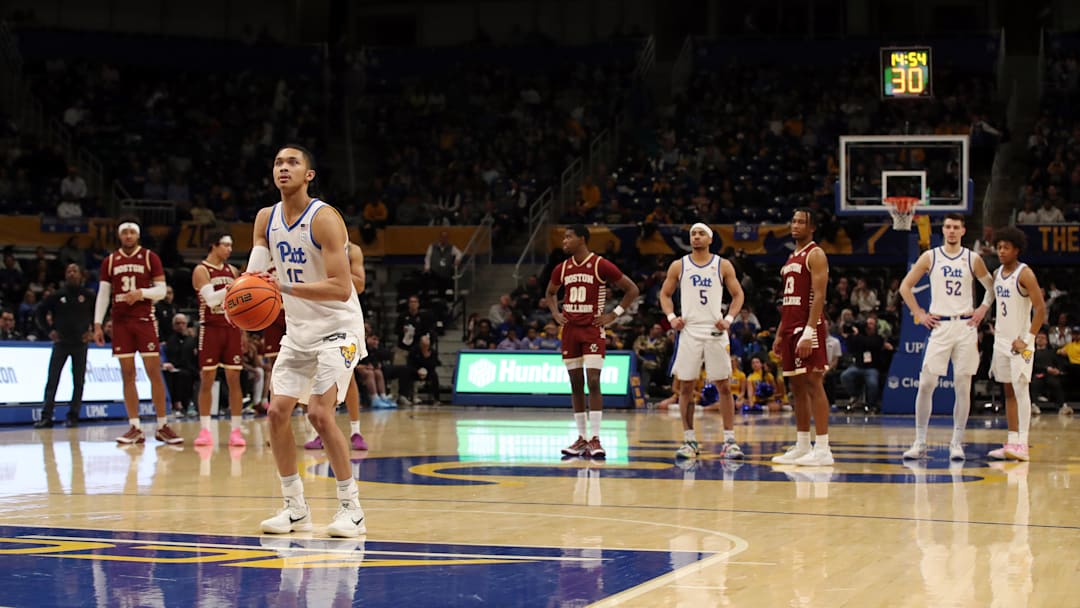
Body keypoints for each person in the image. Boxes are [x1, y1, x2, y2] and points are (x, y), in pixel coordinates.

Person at [250, 145, 366, 537]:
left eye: (293, 163)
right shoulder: (265, 218)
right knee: (277, 412)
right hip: (298, 332)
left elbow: (339, 286)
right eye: (279, 163)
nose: (284, 168)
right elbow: (254, 281)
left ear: (309, 174)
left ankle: (351, 508)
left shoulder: (325, 219)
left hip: (339, 327)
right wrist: (236, 299)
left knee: (319, 413)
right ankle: (294, 508)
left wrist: (280, 288)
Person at [900, 214, 995, 461]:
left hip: (965, 327)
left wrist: (983, 308)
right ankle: (920, 441)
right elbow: (905, 287)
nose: (951, 231)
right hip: (940, 326)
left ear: (963, 231)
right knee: (926, 384)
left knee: (963, 387)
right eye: (948, 227)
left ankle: (956, 442)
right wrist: (919, 313)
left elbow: (991, 287)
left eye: (956, 227)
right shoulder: (930, 256)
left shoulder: (972, 258)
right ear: (942, 230)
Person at [546, 224, 639, 459]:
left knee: (594, 380)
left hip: (592, 329)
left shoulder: (600, 264)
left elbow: (632, 289)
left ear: (582, 239)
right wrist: (556, 314)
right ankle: (581, 438)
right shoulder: (562, 268)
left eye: (568, 237)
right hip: (570, 331)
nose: (564, 241)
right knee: (575, 382)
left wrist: (612, 315)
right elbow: (550, 293)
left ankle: (595, 438)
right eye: (564, 237)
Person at [659, 222, 746, 459]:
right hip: (689, 330)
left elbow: (738, 294)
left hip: (715, 330)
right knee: (685, 386)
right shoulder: (679, 265)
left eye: (701, 234)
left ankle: (729, 441)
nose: (696, 237)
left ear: (710, 239)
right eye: (693, 234)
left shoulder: (722, 264)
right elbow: (665, 294)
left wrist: (728, 318)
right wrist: (671, 317)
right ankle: (689, 441)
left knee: (724, 385)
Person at [93, 221, 182, 445]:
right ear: (120, 236)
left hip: (144, 321)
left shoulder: (150, 258)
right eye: (125, 232)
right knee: (127, 374)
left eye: (132, 232)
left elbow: (161, 291)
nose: (129, 236)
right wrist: (97, 323)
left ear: (138, 236)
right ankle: (135, 426)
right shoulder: (110, 261)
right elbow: (103, 295)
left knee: (154, 372)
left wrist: (141, 293)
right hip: (121, 322)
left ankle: (162, 425)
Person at [771, 208, 833, 466]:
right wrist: (779, 332)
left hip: (808, 328)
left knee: (813, 382)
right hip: (789, 326)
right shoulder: (791, 257)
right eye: (793, 220)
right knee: (796, 387)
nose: (795, 225)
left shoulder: (815, 254)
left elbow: (819, 295)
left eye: (801, 222)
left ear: (812, 227)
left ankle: (823, 448)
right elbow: (788, 300)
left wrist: (809, 330)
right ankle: (802, 444)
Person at [305, 242, 374, 450]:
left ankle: (355, 431)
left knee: (348, 375)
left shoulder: (352, 249)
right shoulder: (310, 246)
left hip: (343, 317)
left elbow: (360, 284)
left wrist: (332, 273)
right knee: (317, 376)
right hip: (316, 314)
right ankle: (319, 432)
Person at [986, 227, 1047, 461]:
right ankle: (1012, 442)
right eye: (999, 247)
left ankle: (1023, 442)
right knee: (1008, 391)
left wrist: (1029, 339)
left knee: (1022, 390)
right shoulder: (996, 273)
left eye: (1006, 247)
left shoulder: (1025, 274)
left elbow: (1040, 309)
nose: (1001, 251)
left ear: (1016, 250)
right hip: (1001, 340)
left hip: (1022, 342)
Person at [192, 231, 246, 448]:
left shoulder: (232, 270)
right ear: (213, 246)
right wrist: (233, 287)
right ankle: (205, 429)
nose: (230, 249)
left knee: (234, 379)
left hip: (232, 328)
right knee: (207, 379)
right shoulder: (201, 270)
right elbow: (212, 298)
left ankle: (236, 430)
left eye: (231, 245)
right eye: (225, 245)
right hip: (210, 328)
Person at [33, 263, 95, 428]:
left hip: (80, 344)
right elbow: (39, 312)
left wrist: (94, 331)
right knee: (52, 380)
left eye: (75, 271)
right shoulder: (57, 295)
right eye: (69, 271)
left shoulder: (88, 295)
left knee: (79, 382)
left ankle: (73, 416)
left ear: (81, 275)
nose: (72, 274)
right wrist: (49, 330)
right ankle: (46, 417)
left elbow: (101, 313)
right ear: (65, 275)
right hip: (61, 343)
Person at [840, 316, 893, 413]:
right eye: (867, 323)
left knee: (872, 383)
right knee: (845, 376)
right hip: (857, 366)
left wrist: (857, 336)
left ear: (875, 326)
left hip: (871, 368)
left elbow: (870, 344)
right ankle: (855, 395)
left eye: (871, 324)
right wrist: (850, 336)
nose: (869, 326)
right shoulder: (858, 336)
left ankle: (871, 403)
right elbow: (850, 347)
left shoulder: (878, 338)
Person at [162, 313, 198, 418]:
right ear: (173, 326)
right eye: (178, 323)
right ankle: (177, 404)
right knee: (179, 375)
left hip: (190, 369)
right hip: (174, 368)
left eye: (183, 323)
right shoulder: (170, 340)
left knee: (189, 375)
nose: (181, 326)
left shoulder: (191, 340)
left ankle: (189, 404)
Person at [1030, 332, 1069, 415]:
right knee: (1034, 383)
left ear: (1046, 341)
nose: (1040, 339)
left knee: (1055, 383)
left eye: (1043, 338)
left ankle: (1062, 406)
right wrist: (1046, 369)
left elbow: (1058, 363)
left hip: (1050, 375)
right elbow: (1031, 366)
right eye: (1038, 337)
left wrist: (1057, 370)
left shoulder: (1052, 352)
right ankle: (1034, 405)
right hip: (1038, 374)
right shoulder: (1032, 353)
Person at [423, 230, 462, 295]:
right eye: (442, 237)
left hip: (446, 273)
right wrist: (427, 267)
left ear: (447, 238)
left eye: (446, 237)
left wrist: (457, 259)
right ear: (440, 238)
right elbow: (427, 258)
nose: (444, 239)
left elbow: (459, 253)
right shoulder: (432, 246)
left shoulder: (451, 247)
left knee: (447, 289)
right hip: (435, 272)